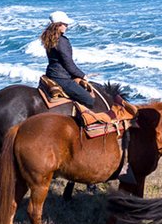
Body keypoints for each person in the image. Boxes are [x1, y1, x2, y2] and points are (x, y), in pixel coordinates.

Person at [40, 11, 133, 181]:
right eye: (65, 24)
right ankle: (83, 133)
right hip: (63, 78)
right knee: (90, 100)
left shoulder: (49, 37)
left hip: (51, 75)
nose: (67, 26)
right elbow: (69, 64)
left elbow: (60, 62)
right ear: (58, 24)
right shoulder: (62, 41)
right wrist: (83, 76)